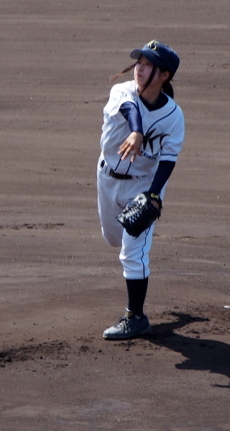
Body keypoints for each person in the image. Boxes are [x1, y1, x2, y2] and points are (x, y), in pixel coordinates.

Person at [97, 40, 185, 340]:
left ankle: (136, 317)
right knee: (113, 239)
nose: (139, 68)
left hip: (142, 187)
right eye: (139, 62)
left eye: (148, 65)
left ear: (164, 75)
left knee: (132, 253)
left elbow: (169, 158)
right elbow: (130, 109)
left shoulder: (174, 117)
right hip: (107, 179)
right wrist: (136, 131)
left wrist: (155, 194)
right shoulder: (121, 91)